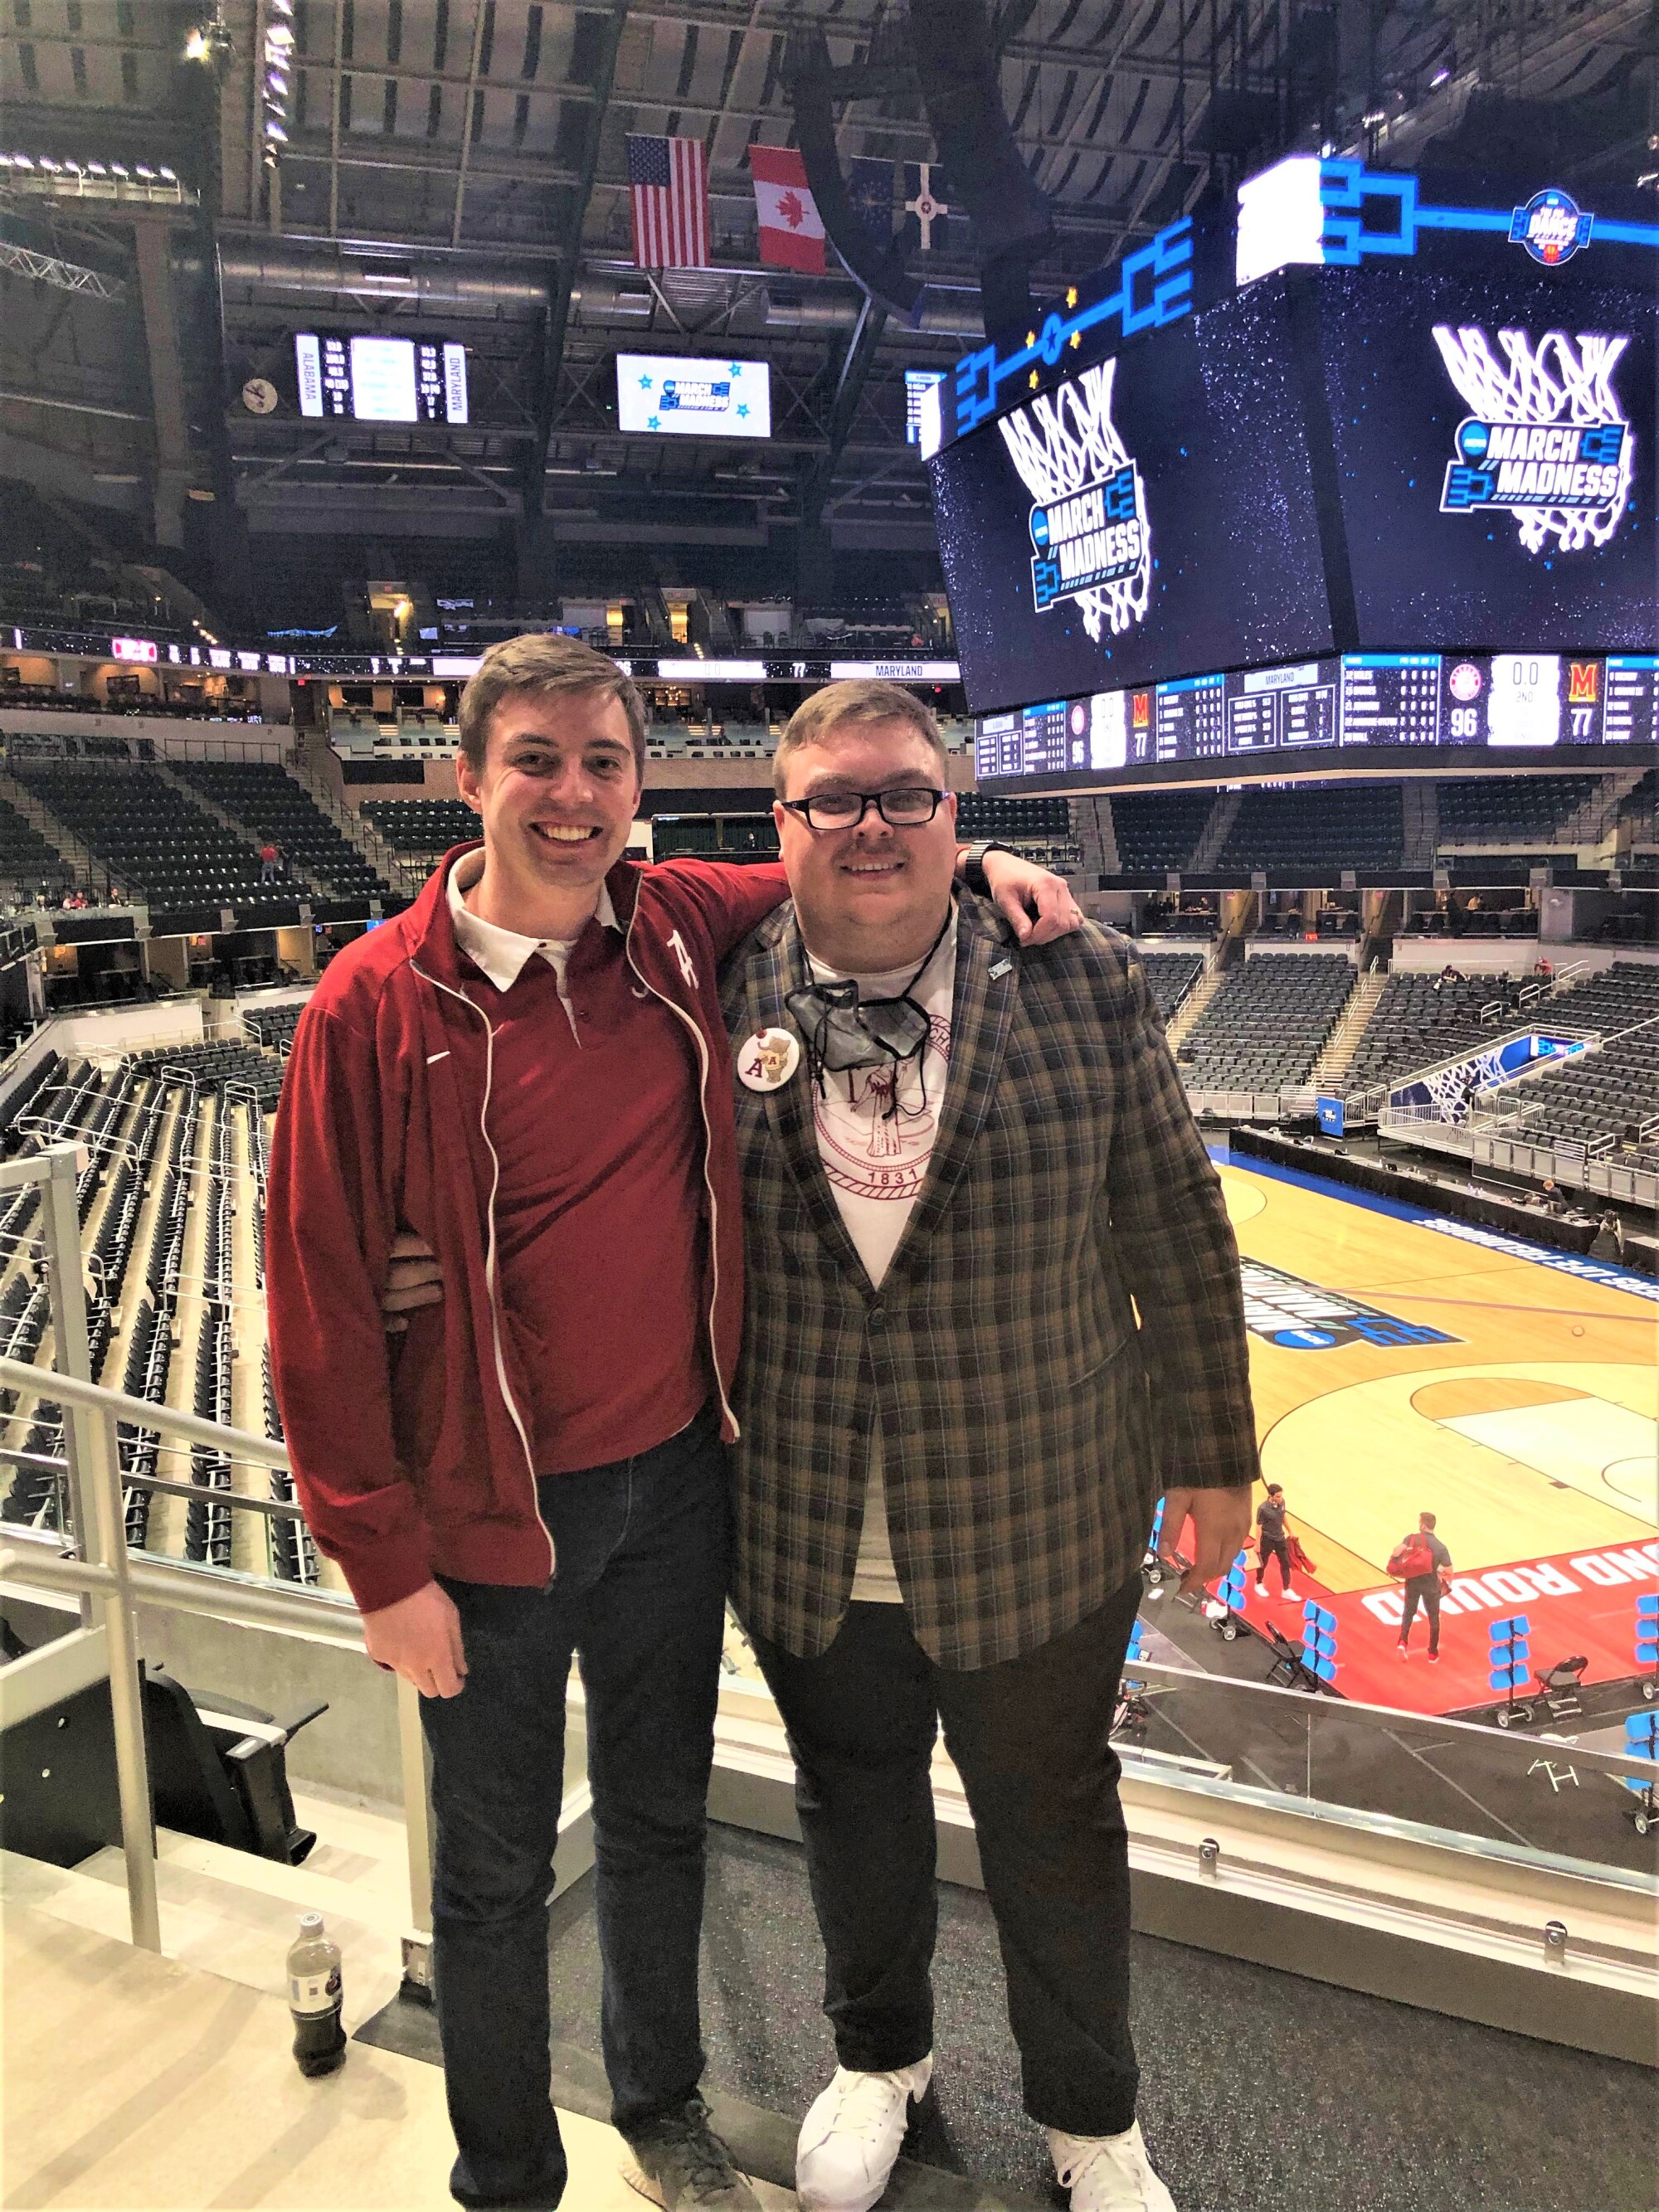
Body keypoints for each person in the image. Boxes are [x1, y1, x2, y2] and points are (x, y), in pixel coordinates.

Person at [265, 634, 1078, 2212]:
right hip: (487, 1525)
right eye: (538, 762)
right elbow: (312, 1308)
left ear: (642, 785)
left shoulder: (679, 924)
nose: (574, 798)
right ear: (469, 777)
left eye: (604, 764)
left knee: (657, 1828)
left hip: (675, 1486)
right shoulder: (371, 1005)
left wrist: (978, 852)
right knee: (497, 1876)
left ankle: (665, 2108)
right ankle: (507, 2170)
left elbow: (847, 847)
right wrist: (382, 1567)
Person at [718, 683, 1257, 2212]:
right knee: (852, 1805)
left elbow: (1173, 1219)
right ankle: (879, 2056)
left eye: (905, 795)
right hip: (809, 1517)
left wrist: (1215, 1453)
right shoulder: (709, 982)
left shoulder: (1075, 972)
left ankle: (1093, 2117)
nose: (869, 825)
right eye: (834, 798)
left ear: (960, 819)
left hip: (1041, 1506)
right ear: (783, 823)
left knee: (1055, 1824)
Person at [1394, 1514, 1452, 1663]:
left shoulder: (1412, 1539)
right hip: (1431, 1587)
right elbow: (1449, 1570)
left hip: (1413, 1583)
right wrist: (1438, 1571)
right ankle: (1432, 1653)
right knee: (1434, 1620)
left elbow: (1396, 1553)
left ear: (1423, 1526)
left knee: (1408, 1613)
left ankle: (1402, 1642)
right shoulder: (1441, 1547)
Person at [1253, 1482, 1297, 1599]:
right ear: (1271, 1496)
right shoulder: (1263, 1509)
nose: (1280, 1498)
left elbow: (1283, 1516)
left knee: (1285, 1563)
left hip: (1280, 1539)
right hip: (1267, 1539)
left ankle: (1286, 1589)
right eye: (1277, 1496)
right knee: (1263, 1563)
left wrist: (1290, 1531)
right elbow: (1258, 1526)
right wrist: (1257, 1543)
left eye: (1281, 1496)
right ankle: (1258, 1583)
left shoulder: (1282, 1503)